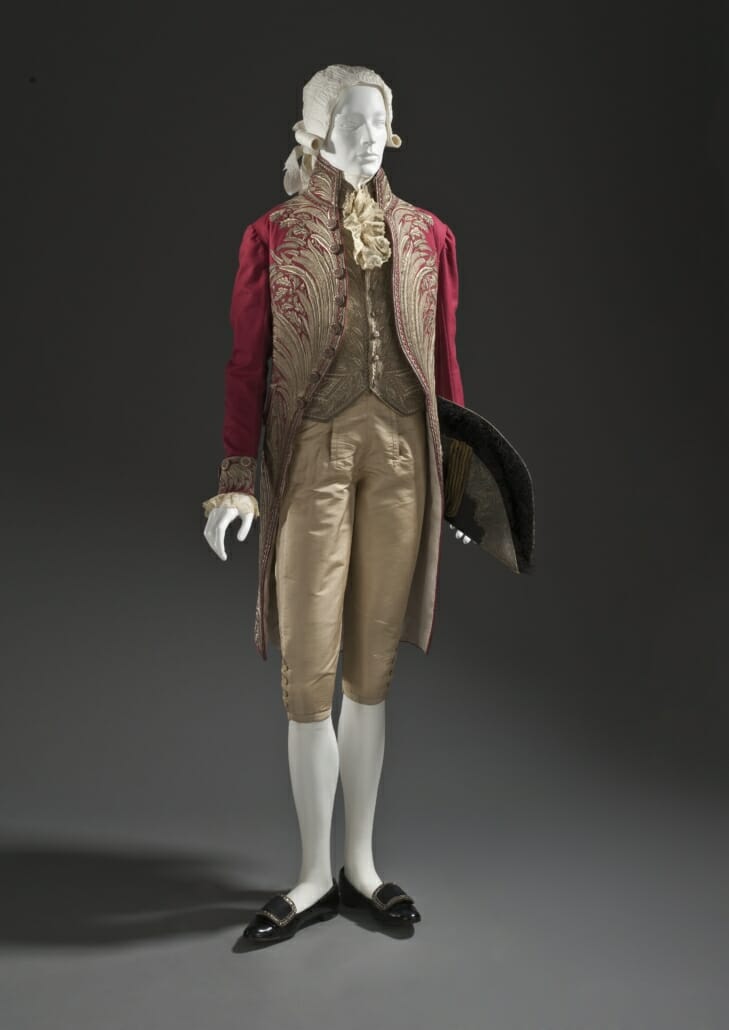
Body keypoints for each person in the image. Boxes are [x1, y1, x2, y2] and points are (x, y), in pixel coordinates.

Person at [202, 64, 467, 944]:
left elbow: (445, 366)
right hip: (312, 455)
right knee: (309, 671)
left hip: (404, 460)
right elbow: (247, 367)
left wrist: (462, 480)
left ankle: (361, 865)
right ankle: (312, 874)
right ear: (313, 132)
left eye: (377, 121)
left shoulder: (428, 235)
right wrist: (237, 479)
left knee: (372, 673)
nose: (366, 137)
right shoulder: (273, 236)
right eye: (349, 122)